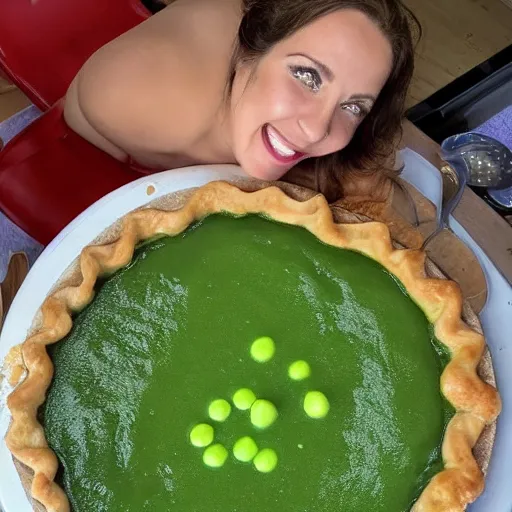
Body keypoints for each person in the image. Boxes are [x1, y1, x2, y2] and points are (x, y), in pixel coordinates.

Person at [64, 0, 420, 202]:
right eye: (307, 76)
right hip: (96, 157)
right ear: (249, 50)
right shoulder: (134, 96)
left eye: (354, 106)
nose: (315, 131)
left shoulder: (260, 99)